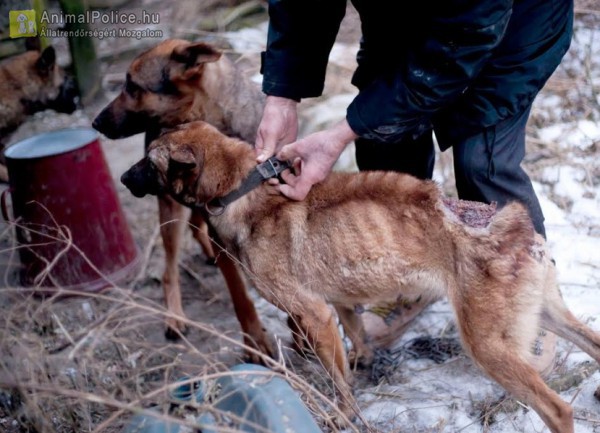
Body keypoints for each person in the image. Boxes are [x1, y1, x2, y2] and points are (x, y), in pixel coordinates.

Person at [255, 0, 573, 374]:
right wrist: (282, 97)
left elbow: (465, 37)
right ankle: (411, 285)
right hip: (400, 23)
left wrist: (341, 133)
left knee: (482, 158)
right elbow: (302, 7)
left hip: (514, 22)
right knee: (383, 139)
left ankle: (529, 299)